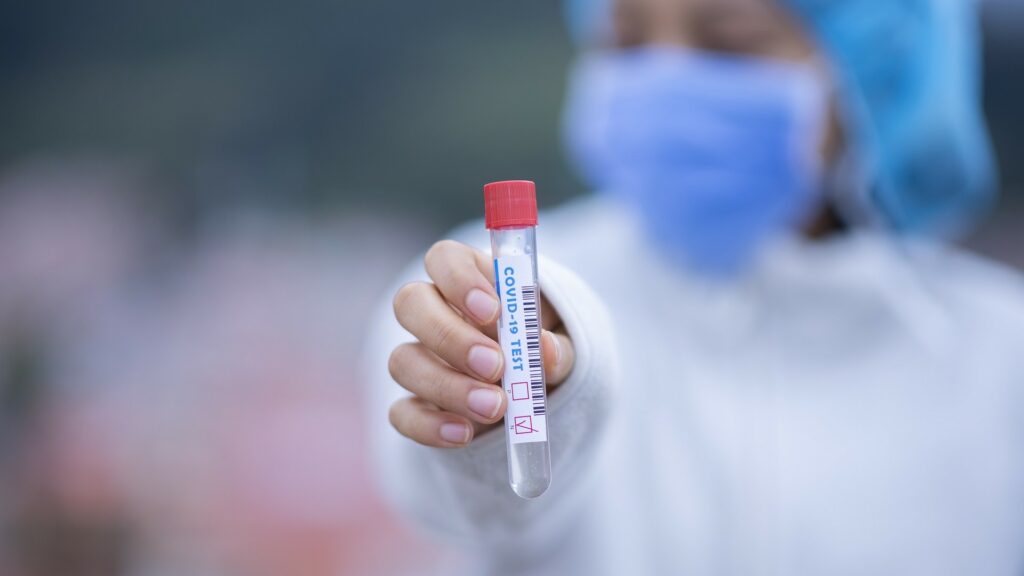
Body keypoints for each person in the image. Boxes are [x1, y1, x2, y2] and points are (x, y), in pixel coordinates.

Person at [362, 0, 1024, 573]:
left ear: (873, 72)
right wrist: (525, 389)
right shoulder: (503, 284)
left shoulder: (998, 358)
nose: (666, 76)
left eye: (729, 43)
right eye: (626, 40)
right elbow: (482, 503)